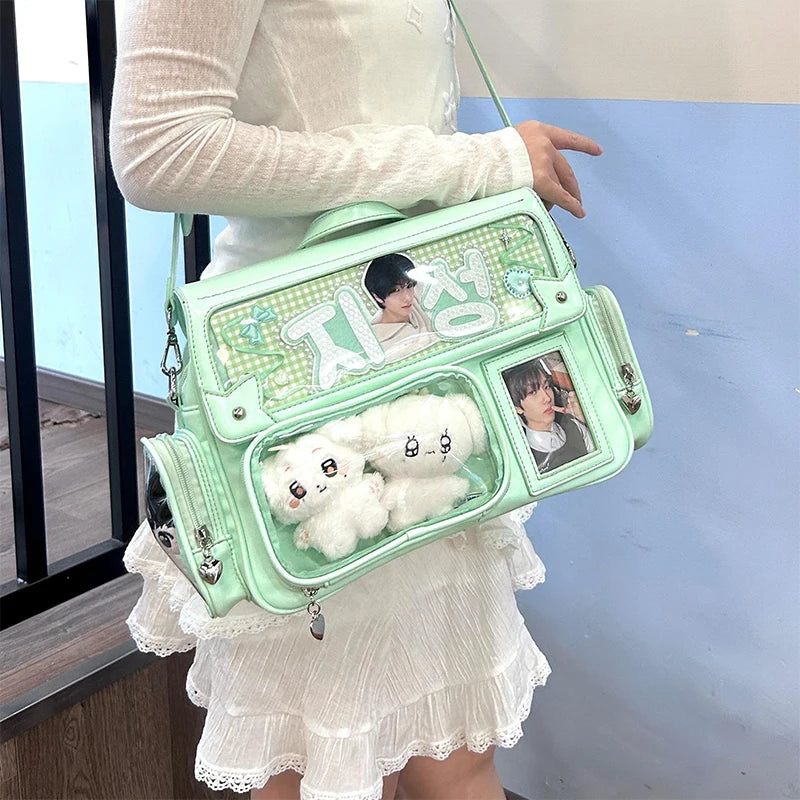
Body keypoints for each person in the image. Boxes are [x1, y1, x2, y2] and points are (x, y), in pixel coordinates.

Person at [110, 1, 601, 798]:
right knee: (305, 761)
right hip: (291, 381)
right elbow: (160, 148)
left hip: (423, 363)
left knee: (455, 750)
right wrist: (471, 166)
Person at [504, 359, 595, 473]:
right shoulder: (522, 456)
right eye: (532, 392)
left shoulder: (575, 426)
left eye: (547, 387)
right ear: (516, 407)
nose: (547, 398)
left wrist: (585, 420)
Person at [363, 253, 437, 363]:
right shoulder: (379, 341)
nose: (407, 297)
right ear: (377, 297)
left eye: (409, 286)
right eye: (396, 291)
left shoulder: (417, 301)